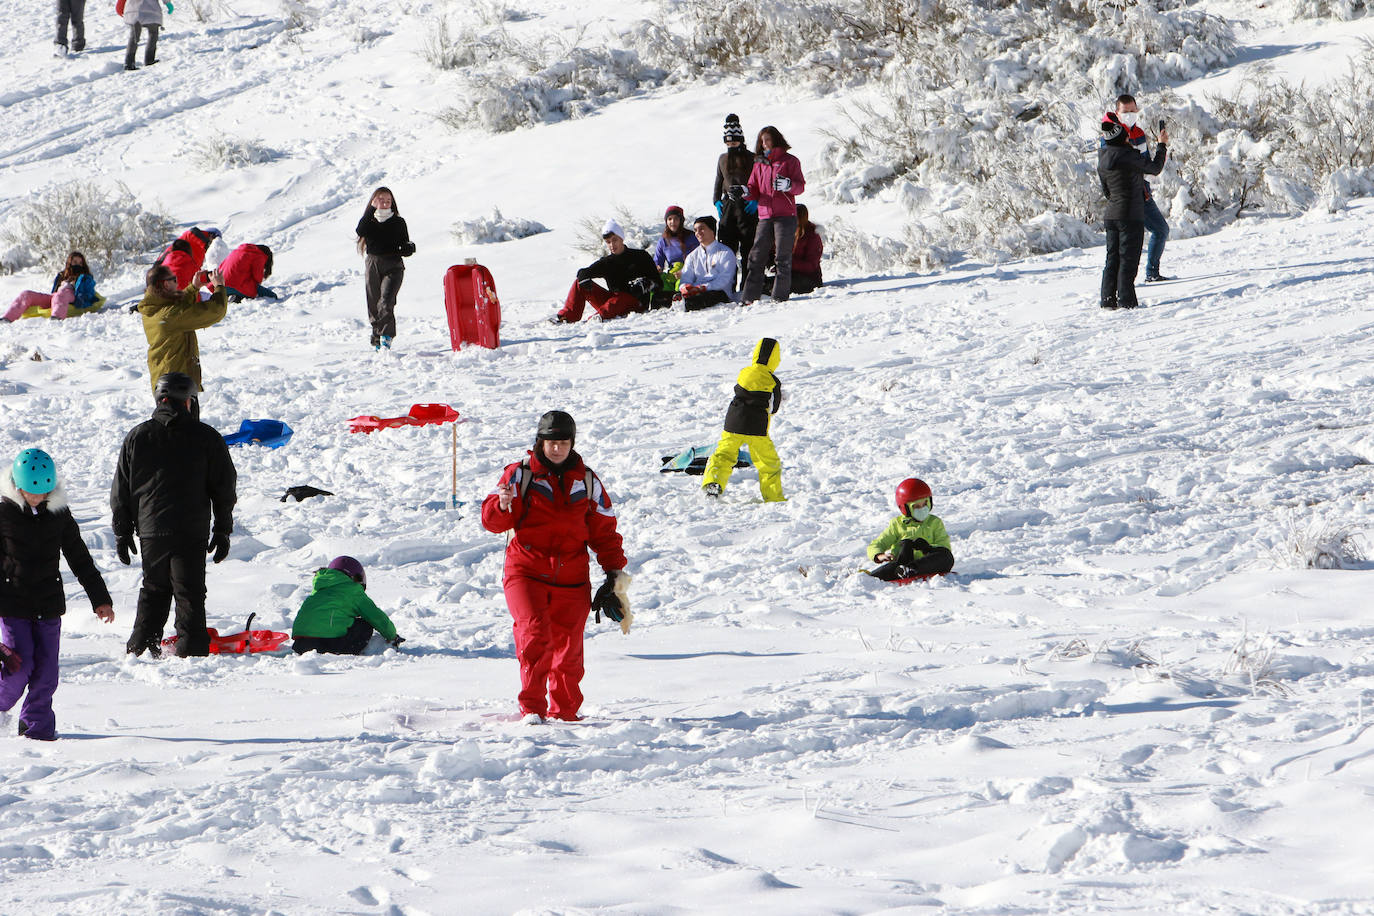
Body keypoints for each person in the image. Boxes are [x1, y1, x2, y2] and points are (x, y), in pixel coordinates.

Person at [480, 411, 630, 723]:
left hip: (572, 579)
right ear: (540, 442)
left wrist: (614, 572)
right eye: (551, 443)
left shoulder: (586, 480)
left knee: (569, 653)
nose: (557, 449)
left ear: (572, 444)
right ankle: (533, 711)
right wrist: (503, 505)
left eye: (563, 443)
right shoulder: (519, 475)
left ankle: (565, 714)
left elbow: (604, 530)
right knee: (535, 636)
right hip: (526, 572)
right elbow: (491, 522)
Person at [111, 372, 238, 658]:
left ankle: (140, 652)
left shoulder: (138, 436)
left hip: (151, 529)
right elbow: (224, 487)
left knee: (154, 589)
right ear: (188, 402)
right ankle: (191, 654)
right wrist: (222, 529)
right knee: (189, 592)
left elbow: (121, 489)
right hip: (189, 530)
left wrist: (122, 530)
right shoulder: (206, 436)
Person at [0, 449, 114, 740]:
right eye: (31, 493)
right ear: (17, 486)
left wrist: (100, 598)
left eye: (44, 492)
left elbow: (79, 556)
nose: (39, 498)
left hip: (48, 605)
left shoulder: (59, 514)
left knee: (47, 674)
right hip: (13, 604)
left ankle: (36, 729)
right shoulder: (4, 515)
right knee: (19, 667)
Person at [701, 338, 784, 501]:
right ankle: (773, 497)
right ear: (775, 358)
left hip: (733, 422)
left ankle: (713, 482)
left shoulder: (744, 372)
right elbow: (773, 407)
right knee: (768, 463)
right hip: (757, 428)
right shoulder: (773, 381)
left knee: (723, 455)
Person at [1098, 113, 1167, 310]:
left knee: (1112, 260)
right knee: (1128, 260)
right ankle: (1126, 302)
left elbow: (1106, 191)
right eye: (1126, 135)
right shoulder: (1128, 155)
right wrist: (1162, 145)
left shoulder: (1102, 157)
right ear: (1121, 137)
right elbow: (1154, 168)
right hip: (1130, 215)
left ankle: (1107, 300)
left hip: (1111, 215)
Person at [136, 263, 229, 393]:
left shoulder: (153, 308)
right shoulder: (169, 316)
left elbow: (176, 308)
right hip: (176, 385)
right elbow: (215, 311)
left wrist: (193, 288)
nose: (177, 283)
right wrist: (219, 286)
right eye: (174, 280)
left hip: (167, 381)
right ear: (166, 285)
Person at [741, 126, 806, 305]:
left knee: (782, 258)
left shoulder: (790, 161)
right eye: (761, 141)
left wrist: (788, 185)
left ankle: (779, 297)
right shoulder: (759, 164)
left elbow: (800, 186)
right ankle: (749, 298)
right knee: (756, 256)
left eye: (767, 139)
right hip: (764, 215)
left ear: (776, 139)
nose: (764, 144)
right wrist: (744, 191)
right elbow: (753, 189)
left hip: (785, 215)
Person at [1112, 94, 1172, 282]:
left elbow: (1147, 165)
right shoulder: (1112, 135)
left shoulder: (1138, 133)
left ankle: (1152, 273)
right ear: (1117, 113)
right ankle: (1122, 284)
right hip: (1123, 193)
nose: (1129, 114)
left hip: (1141, 189)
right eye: (1125, 111)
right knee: (1126, 242)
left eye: (1132, 110)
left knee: (1160, 230)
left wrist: (1161, 146)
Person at [291, 557, 403, 655]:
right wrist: (392, 636)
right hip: (328, 645)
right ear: (356, 578)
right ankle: (340, 653)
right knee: (365, 625)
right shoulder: (353, 590)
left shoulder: (319, 589)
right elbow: (376, 616)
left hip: (300, 644)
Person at [553, 220, 659, 323]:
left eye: (614, 240)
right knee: (579, 283)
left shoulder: (641, 256)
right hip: (612, 303)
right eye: (608, 242)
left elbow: (658, 282)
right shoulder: (607, 262)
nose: (612, 245)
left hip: (635, 303)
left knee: (622, 297)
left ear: (621, 238)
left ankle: (597, 318)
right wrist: (583, 278)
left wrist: (647, 284)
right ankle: (567, 317)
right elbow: (584, 273)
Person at [355, 187, 415, 350]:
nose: (385, 203)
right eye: (381, 199)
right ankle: (377, 339)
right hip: (373, 264)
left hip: (393, 265)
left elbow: (405, 244)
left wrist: (409, 248)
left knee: (386, 302)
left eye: (388, 200)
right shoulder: (369, 221)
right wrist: (371, 211)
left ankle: (386, 337)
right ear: (374, 201)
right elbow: (360, 231)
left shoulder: (398, 222)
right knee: (374, 303)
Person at [866, 478, 954, 581]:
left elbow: (944, 546)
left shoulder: (935, 522)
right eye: (916, 506)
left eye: (925, 504)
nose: (922, 508)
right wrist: (879, 555)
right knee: (906, 545)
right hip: (901, 565)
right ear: (905, 508)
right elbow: (876, 544)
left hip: (926, 565)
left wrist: (928, 548)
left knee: (947, 557)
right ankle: (875, 576)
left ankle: (911, 569)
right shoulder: (897, 525)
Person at [712, 114, 758, 293]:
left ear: (741, 140)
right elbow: (718, 181)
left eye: (734, 143)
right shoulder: (722, 158)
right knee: (727, 249)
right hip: (728, 207)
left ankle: (747, 285)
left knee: (748, 249)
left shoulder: (752, 158)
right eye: (728, 143)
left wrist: (754, 199)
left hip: (747, 207)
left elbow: (759, 182)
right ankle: (727, 285)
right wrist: (716, 201)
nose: (731, 146)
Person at [3, 251, 102, 322]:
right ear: (69, 262)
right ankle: (7, 318)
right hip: (57, 296)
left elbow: (88, 293)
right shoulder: (62, 275)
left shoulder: (85, 277)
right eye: (75, 262)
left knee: (62, 294)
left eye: (80, 263)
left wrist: (82, 300)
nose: (78, 265)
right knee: (26, 294)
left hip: (72, 295)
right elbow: (54, 292)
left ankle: (57, 318)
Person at [675, 215, 736, 311]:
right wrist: (685, 287)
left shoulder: (725, 252)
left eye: (701, 229)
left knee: (699, 299)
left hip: (718, 293)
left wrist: (702, 288)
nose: (698, 233)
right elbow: (686, 278)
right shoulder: (692, 256)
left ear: (712, 230)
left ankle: (685, 304)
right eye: (695, 230)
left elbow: (725, 280)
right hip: (696, 292)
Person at [156, 227, 220, 289]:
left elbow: (195, 272)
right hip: (171, 263)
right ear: (211, 236)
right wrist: (206, 243)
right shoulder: (197, 236)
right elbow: (192, 232)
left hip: (172, 280)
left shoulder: (201, 251)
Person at [123, 0, 171, 71]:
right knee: (153, 34)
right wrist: (168, 4)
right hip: (151, 11)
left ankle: (129, 63)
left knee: (134, 37)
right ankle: (149, 59)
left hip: (133, 11)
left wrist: (120, 7)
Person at [788, 205, 824, 295]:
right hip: (792, 274)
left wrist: (789, 263)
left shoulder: (812, 235)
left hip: (810, 279)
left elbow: (811, 266)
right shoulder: (789, 232)